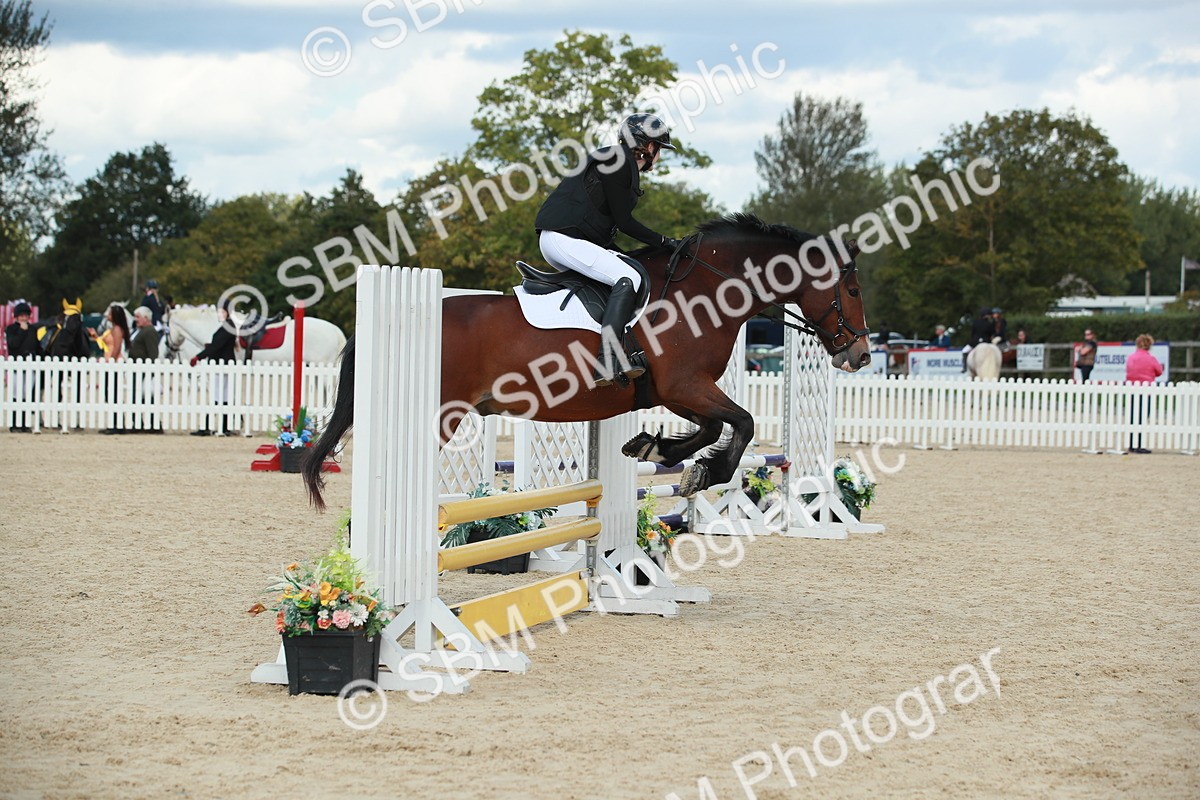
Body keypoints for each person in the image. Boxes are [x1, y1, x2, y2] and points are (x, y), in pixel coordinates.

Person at [534, 113, 680, 387]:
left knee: (630, 268)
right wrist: (665, 242)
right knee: (628, 278)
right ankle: (607, 359)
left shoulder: (618, 160)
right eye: (660, 148)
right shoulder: (619, 161)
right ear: (648, 147)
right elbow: (625, 222)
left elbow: (606, 223)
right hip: (563, 238)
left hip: (570, 238)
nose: (659, 156)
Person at [188, 304, 238, 435]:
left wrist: (198, 356)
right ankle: (223, 427)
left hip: (222, 365)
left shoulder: (228, 327)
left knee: (217, 397)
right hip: (223, 364)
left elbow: (216, 346)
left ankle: (208, 426)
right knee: (223, 397)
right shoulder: (228, 326)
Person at [1125, 333, 1163, 454]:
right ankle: (1139, 444)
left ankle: (1132, 444)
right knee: (1142, 418)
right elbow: (1159, 371)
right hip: (1146, 391)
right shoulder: (1151, 359)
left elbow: (1128, 370)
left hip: (1132, 389)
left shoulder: (1131, 357)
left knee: (1133, 417)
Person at [5, 301, 39, 432]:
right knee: (16, 394)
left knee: (26, 395)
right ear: (17, 317)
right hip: (16, 366)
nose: (24, 318)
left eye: (26, 315)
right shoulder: (11, 329)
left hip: (30, 365)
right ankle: (15, 423)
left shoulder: (33, 329)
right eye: (21, 316)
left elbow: (37, 346)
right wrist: (21, 331)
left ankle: (25, 423)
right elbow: (13, 344)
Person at [127, 306, 162, 433]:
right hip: (137, 369)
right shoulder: (141, 331)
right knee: (140, 398)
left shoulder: (149, 332)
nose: (135, 319)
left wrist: (150, 372)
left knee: (143, 398)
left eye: (138, 317)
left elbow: (153, 353)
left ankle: (151, 424)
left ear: (146, 318)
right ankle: (144, 423)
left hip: (143, 370)